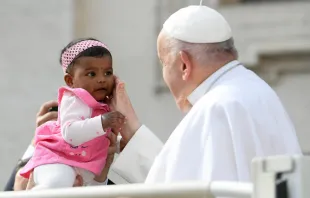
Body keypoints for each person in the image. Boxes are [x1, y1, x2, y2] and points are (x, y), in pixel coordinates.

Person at [108, 5, 302, 184]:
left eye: (164, 63)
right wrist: (133, 132)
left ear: (184, 64)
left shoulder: (215, 108)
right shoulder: (259, 91)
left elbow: (184, 193)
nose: (165, 74)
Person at [19, 38, 125, 189]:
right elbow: (71, 133)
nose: (102, 80)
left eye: (108, 73)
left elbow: (105, 138)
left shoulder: (102, 107)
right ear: (70, 81)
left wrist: (122, 144)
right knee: (58, 182)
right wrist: (103, 121)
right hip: (58, 159)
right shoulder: (74, 100)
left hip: (81, 165)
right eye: (91, 74)